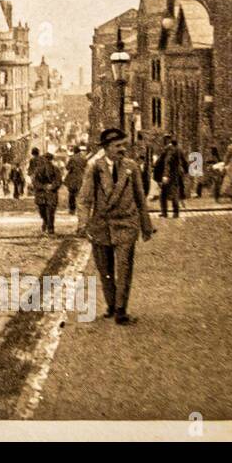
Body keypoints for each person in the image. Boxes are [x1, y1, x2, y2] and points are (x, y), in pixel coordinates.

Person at [77, 128, 153, 325]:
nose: (122, 149)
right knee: (105, 269)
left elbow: (140, 197)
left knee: (125, 267)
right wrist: (83, 223)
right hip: (101, 224)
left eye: (123, 145)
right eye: (118, 146)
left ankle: (121, 310)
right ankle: (111, 305)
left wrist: (145, 226)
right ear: (107, 148)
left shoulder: (131, 167)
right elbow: (84, 199)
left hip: (126, 223)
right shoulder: (94, 168)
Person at [153, 137, 186, 219]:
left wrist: (164, 175)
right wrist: (186, 170)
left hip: (168, 175)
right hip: (176, 175)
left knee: (164, 194)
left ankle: (165, 212)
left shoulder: (168, 149)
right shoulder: (179, 149)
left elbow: (166, 162)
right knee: (174, 193)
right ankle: (175, 212)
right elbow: (184, 161)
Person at [32, 151, 63, 235]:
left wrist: (52, 186)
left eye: (48, 159)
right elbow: (35, 181)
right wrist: (43, 187)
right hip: (41, 193)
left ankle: (50, 227)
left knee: (51, 211)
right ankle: (45, 221)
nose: (47, 161)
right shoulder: (38, 170)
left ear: (51, 160)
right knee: (42, 210)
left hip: (51, 193)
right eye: (45, 159)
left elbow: (59, 180)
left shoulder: (55, 169)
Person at [63, 146, 88, 215]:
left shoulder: (72, 158)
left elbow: (68, 167)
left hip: (73, 178)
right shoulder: (84, 158)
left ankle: (72, 209)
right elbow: (85, 166)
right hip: (81, 177)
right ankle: (80, 209)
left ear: (74, 151)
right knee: (80, 194)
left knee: (71, 194)